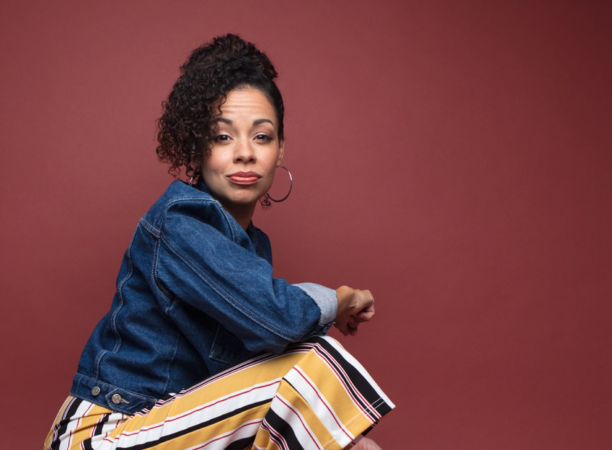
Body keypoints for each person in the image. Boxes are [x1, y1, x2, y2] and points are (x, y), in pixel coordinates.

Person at [44, 33, 394, 450]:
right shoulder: (182, 222)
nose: (245, 153)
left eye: (262, 137)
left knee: (338, 429)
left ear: (280, 150)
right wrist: (338, 299)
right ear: (197, 151)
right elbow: (277, 318)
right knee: (309, 360)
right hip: (105, 436)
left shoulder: (246, 246)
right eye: (223, 137)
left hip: (170, 429)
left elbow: (267, 325)